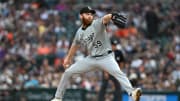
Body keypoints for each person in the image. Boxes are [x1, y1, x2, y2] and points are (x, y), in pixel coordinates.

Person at [51, 6, 142, 101]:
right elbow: (75, 45)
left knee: (118, 73)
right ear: (81, 16)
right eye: (87, 14)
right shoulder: (79, 32)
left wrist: (112, 16)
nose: (90, 16)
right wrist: (68, 58)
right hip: (91, 59)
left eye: (91, 14)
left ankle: (133, 93)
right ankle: (58, 98)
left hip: (106, 57)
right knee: (68, 72)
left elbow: (105, 18)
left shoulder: (97, 23)